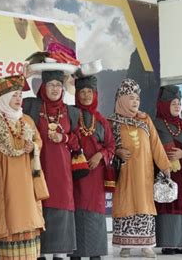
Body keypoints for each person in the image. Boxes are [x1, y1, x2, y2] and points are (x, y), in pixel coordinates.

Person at [0, 75, 45, 259]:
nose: (19, 99)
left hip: (26, 179)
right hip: (4, 179)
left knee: (29, 218)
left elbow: (38, 141)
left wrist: (33, 146)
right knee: (8, 215)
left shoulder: (27, 121)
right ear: (3, 99)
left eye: (20, 96)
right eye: (14, 95)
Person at [108, 79, 171, 258]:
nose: (135, 102)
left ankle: (146, 246)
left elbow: (156, 145)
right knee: (124, 204)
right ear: (121, 100)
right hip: (125, 175)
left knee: (144, 204)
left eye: (137, 98)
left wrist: (165, 166)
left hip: (144, 174)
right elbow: (107, 145)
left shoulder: (145, 120)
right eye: (131, 98)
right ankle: (124, 245)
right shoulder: (112, 122)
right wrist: (118, 151)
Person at [23, 70, 82, 260]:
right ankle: (39, 252)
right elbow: (12, 100)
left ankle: (59, 253)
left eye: (58, 85)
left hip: (62, 170)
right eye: (51, 85)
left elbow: (77, 141)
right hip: (38, 167)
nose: (55, 89)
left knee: (62, 204)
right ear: (43, 87)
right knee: (39, 205)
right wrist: (23, 76)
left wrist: (63, 137)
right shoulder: (32, 105)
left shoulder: (71, 111)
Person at [71, 76, 115, 260]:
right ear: (77, 94)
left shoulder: (102, 121)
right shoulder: (71, 115)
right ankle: (76, 253)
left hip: (96, 174)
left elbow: (111, 146)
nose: (86, 95)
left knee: (96, 211)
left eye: (90, 91)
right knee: (77, 209)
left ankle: (95, 253)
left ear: (95, 94)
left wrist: (100, 155)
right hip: (76, 173)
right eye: (83, 91)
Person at [153, 85, 182, 255]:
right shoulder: (155, 124)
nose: (177, 106)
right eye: (172, 103)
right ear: (164, 104)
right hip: (164, 173)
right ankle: (168, 243)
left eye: (179, 103)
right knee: (167, 204)